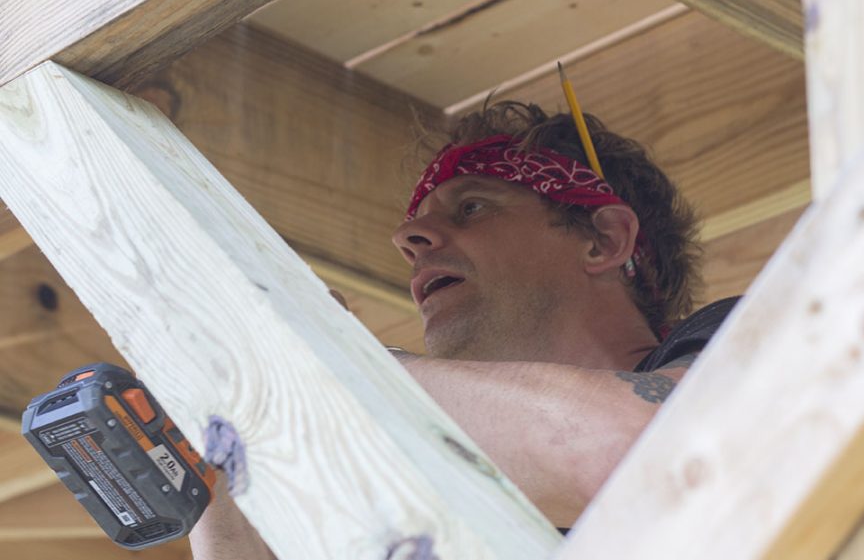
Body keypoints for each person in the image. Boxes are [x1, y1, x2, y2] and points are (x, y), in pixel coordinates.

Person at [189, 101, 737, 558]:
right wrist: (221, 449)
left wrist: (336, 363)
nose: (410, 236)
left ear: (604, 239)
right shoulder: (432, 506)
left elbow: (634, 453)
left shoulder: (748, 337)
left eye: (471, 207)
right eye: (414, 227)